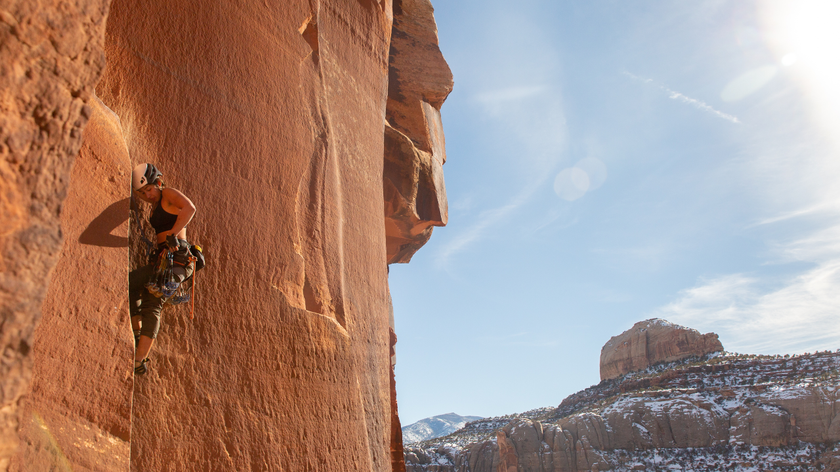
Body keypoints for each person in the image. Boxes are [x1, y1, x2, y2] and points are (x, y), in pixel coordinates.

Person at [129, 163, 196, 375]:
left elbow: (190, 208)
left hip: (177, 258)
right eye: (141, 193)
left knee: (154, 301)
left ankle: (139, 359)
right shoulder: (157, 202)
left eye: (149, 189)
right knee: (135, 285)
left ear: (158, 182)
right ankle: (138, 335)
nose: (147, 195)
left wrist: (173, 234)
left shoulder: (167, 194)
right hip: (165, 258)